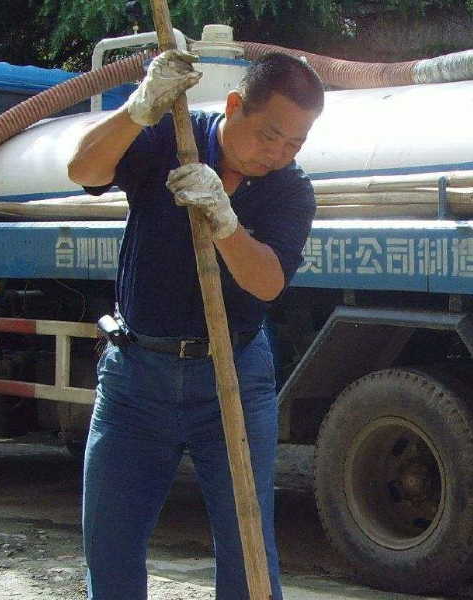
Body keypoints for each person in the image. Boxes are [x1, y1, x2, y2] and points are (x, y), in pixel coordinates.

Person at [67, 50, 324, 600]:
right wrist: (138, 109)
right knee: (109, 547)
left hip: (232, 372)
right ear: (235, 105)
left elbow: (268, 282)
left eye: (294, 145)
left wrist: (224, 222)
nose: (277, 154)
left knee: (248, 552)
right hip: (136, 377)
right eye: (269, 136)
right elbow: (83, 170)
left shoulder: (290, 189)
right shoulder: (170, 140)